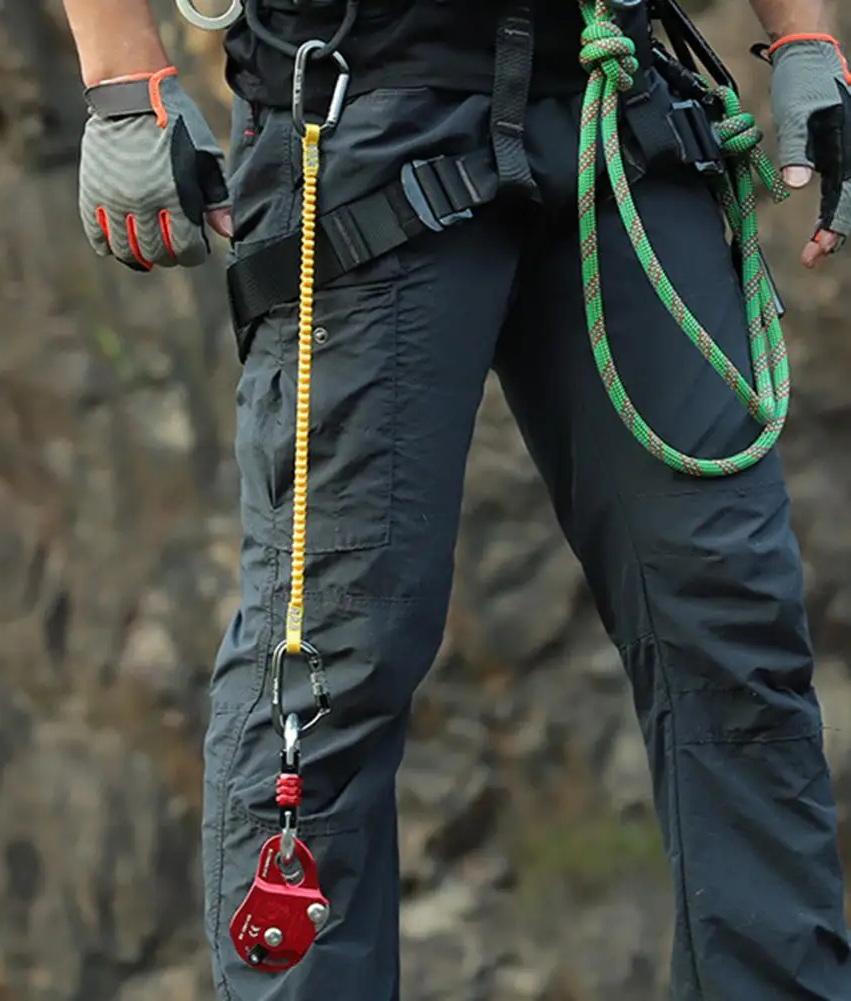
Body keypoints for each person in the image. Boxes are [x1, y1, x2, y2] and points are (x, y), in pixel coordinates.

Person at [60, 0, 851, 997]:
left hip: (616, 103)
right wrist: (123, 73)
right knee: (331, 656)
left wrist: (803, 37)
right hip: (361, 94)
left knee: (731, 618)